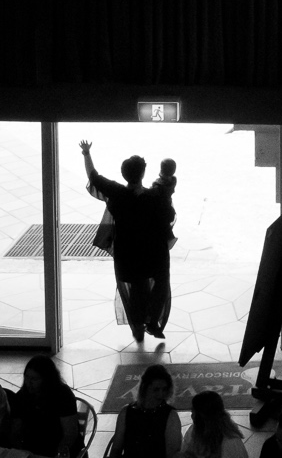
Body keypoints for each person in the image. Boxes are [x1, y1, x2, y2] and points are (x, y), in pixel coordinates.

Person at [82, 140, 170, 346]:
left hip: (128, 253)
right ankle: (153, 321)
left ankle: (138, 325)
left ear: (124, 175)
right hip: (152, 253)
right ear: (143, 174)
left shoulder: (117, 193)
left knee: (138, 288)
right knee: (160, 283)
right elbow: (169, 214)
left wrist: (86, 153)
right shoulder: (152, 197)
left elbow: (93, 176)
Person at [6, 354, 83, 458]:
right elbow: (15, 431)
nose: (29, 383)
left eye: (34, 379)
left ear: (47, 380)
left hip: (62, 449)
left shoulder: (63, 395)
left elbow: (70, 435)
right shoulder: (22, 396)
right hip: (34, 449)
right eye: (27, 377)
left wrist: (58, 454)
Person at [110, 363, 182, 458]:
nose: (161, 395)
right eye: (156, 390)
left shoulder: (171, 416)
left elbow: (172, 454)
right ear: (144, 388)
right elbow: (116, 449)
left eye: (164, 389)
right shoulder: (126, 412)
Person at [149, 158, 180, 337]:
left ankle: (148, 320)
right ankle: (153, 321)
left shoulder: (157, 189)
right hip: (160, 241)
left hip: (154, 239)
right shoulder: (169, 185)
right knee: (161, 281)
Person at [180, 390, 245, 458]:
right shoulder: (193, 430)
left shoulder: (230, 442)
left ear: (203, 417)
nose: (192, 416)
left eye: (194, 412)